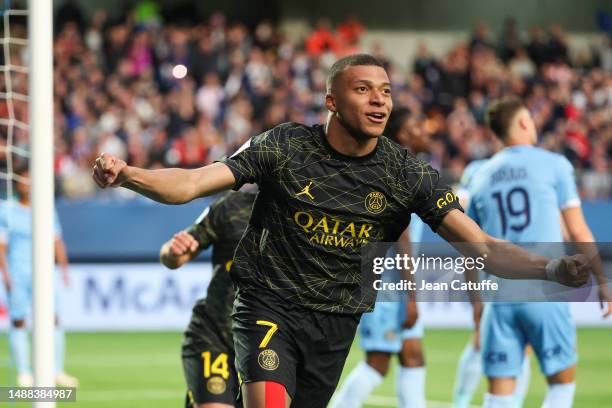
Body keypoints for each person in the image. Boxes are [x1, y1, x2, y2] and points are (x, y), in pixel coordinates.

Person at [93, 54, 589, 408]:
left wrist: (549, 266)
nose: (379, 100)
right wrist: (130, 174)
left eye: (386, 91)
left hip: (335, 324)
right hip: (269, 305)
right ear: (332, 100)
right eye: (363, 89)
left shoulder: (406, 174)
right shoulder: (285, 146)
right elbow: (194, 182)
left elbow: (483, 248)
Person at [466, 96, 611, 408]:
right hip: (545, 290)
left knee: (499, 394)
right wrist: (603, 280)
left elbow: (470, 248)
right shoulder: (554, 164)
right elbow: (578, 230)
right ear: (522, 123)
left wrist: (477, 303)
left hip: (500, 297)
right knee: (561, 385)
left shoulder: (480, 176)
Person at [330, 108, 429, 408]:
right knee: (377, 362)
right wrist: (412, 295)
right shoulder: (394, 172)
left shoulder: (403, 168)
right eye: (416, 125)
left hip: (392, 285)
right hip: (385, 287)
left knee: (412, 356)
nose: (423, 129)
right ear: (401, 135)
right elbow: (401, 237)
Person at [160, 189, 256, 408]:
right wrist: (174, 252)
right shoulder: (230, 206)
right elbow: (172, 255)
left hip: (272, 341)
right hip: (217, 334)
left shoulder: (306, 211)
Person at [453, 157, 532, 408]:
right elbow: (461, 204)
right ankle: (463, 400)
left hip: (509, 266)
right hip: (499, 266)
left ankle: (468, 401)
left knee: (515, 343)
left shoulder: (481, 170)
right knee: (487, 339)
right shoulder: (483, 170)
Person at [0, 165, 78, 387]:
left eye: (32, 180)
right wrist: (5, 274)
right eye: (25, 180)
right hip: (17, 272)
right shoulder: (7, 210)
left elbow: (56, 240)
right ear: (17, 183)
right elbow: (1, 247)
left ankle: (56, 370)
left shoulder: (46, 209)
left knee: (53, 318)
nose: (29, 184)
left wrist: (63, 269)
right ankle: (24, 371)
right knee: (19, 320)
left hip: (44, 272)